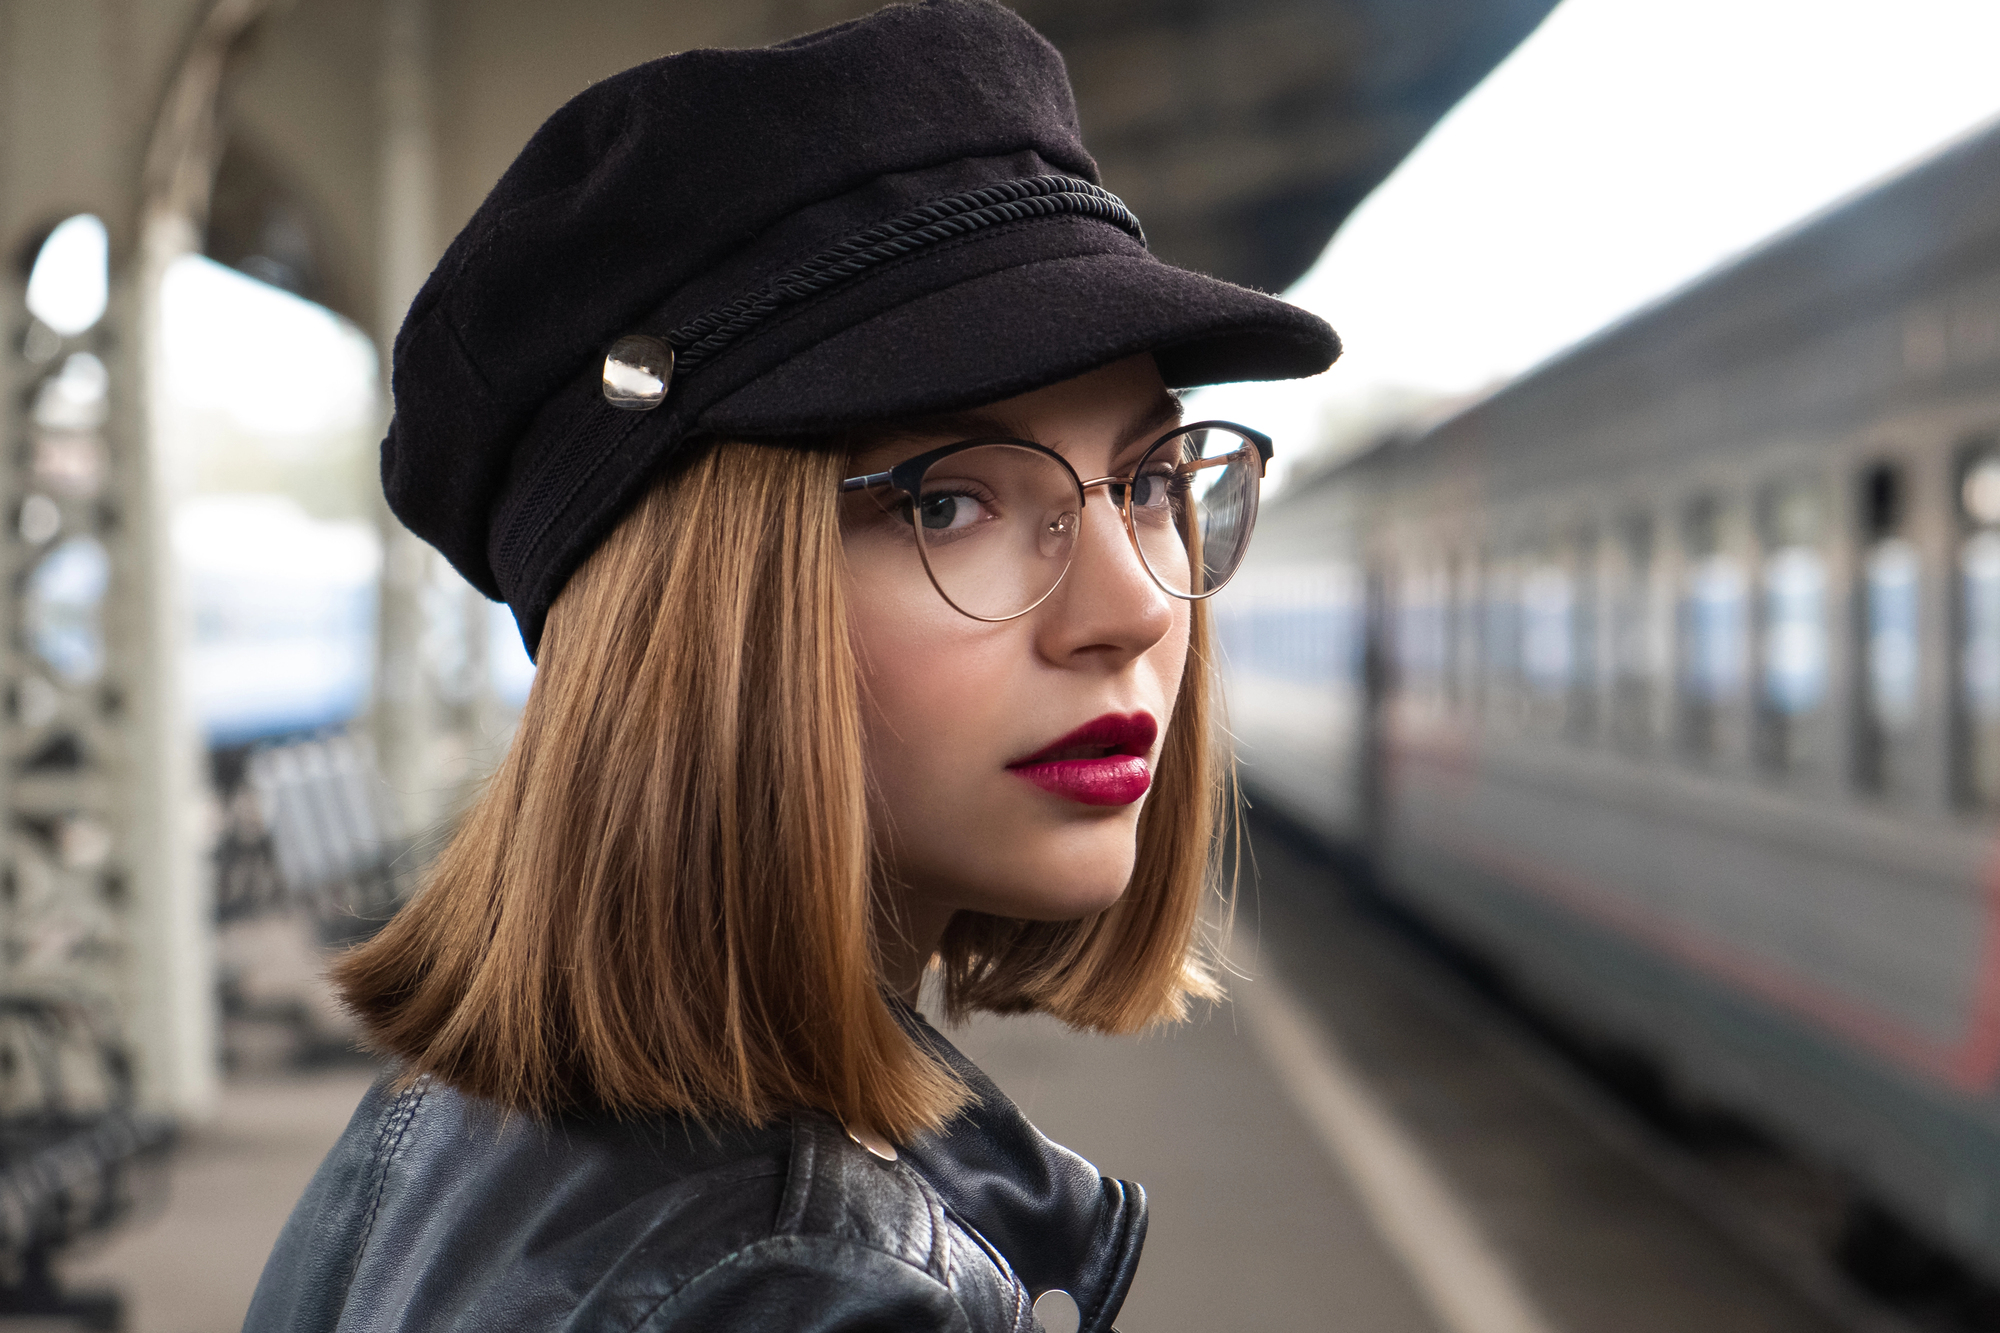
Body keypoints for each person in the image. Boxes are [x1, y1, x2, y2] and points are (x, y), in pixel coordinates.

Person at [243, 3, 1337, 1330]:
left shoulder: (448, 1127)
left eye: (1151, 480)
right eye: (947, 502)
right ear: (697, 624)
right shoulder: (810, 1288)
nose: (1129, 608)